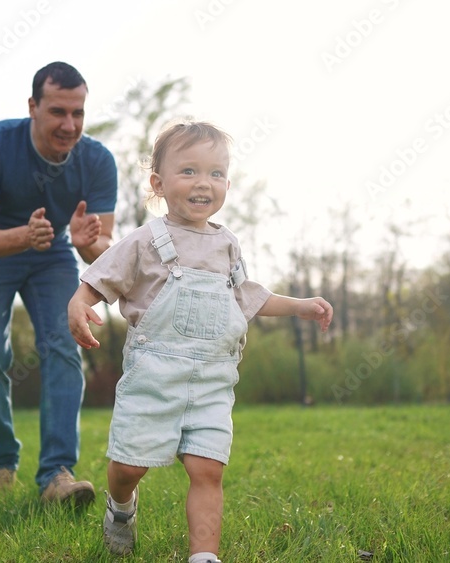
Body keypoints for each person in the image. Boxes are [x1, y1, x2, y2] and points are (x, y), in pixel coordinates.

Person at [67, 121, 333, 562]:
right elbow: (102, 276)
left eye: (215, 173)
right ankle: (120, 506)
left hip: (211, 378)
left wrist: (300, 306)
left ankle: (204, 555)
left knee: (208, 469)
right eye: (188, 171)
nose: (203, 183)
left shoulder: (227, 244)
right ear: (158, 183)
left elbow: (247, 297)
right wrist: (80, 302)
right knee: (130, 467)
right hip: (154, 377)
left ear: (227, 182)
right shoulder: (146, 240)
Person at [0, 61, 117, 505]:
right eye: (58, 112)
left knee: (67, 342)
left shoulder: (98, 161)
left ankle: (56, 474)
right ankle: (2, 460)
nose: (70, 125)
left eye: (78, 113)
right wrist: (22, 237)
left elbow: (102, 250)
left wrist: (88, 244)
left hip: (52, 256)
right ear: (33, 106)